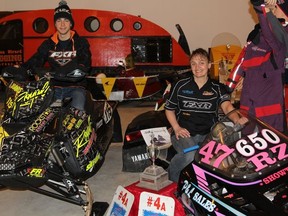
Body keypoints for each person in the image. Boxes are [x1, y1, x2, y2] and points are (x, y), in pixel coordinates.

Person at [165, 48, 245, 182]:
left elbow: (226, 106)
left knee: (222, 158)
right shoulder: (180, 85)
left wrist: (237, 120)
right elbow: (169, 109)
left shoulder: (217, 87)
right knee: (191, 155)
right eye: (193, 64)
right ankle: (172, 179)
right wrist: (176, 128)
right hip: (183, 133)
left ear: (209, 65)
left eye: (201, 63)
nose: (197, 67)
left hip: (209, 134)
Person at [16, 0, 92, 111]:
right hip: (53, 88)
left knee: (77, 112)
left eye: (66, 20)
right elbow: (37, 59)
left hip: (76, 88)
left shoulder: (81, 42)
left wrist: (66, 70)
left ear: (71, 23)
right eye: (59, 21)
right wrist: (21, 69)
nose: (62, 24)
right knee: (37, 112)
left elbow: (85, 63)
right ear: (55, 24)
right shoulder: (48, 44)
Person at [226, 1, 287, 133]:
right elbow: (242, 58)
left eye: (276, 7)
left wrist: (261, 7)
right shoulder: (255, 36)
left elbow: (270, 32)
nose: (273, 9)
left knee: (272, 143)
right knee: (246, 140)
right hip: (249, 100)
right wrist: (230, 84)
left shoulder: (280, 36)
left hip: (270, 102)